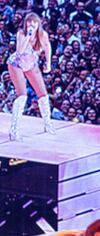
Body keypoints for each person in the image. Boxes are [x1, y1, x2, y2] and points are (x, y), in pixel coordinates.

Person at [7, 12, 55, 141]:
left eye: (34, 22)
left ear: (38, 23)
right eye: (29, 22)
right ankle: (14, 130)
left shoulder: (43, 35)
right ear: (25, 23)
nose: (31, 24)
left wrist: (48, 63)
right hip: (16, 64)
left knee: (43, 95)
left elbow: (47, 47)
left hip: (31, 64)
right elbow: (20, 51)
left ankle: (47, 124)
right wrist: (28, 35)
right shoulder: (21, 34)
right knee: (22, 95)